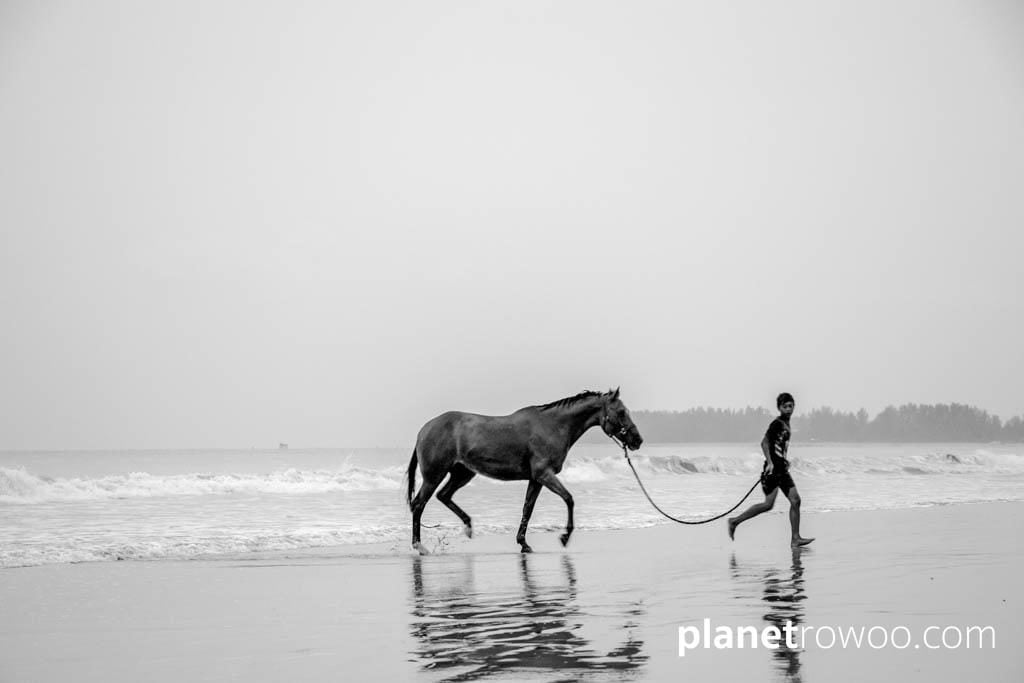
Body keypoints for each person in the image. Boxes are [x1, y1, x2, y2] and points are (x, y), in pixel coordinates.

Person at [728, 392, 814, 548]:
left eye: (791, 406)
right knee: (768, 505)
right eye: (785, 406)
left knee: (795, 500)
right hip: (773, 470)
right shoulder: (777, 423)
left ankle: (795, 538)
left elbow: (778, 446)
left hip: (781, 469)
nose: (789, 409)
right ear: (779, 408)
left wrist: (784, 460)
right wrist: (770, 462)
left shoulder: (786, 424)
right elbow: (764, 443)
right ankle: (734, 521)